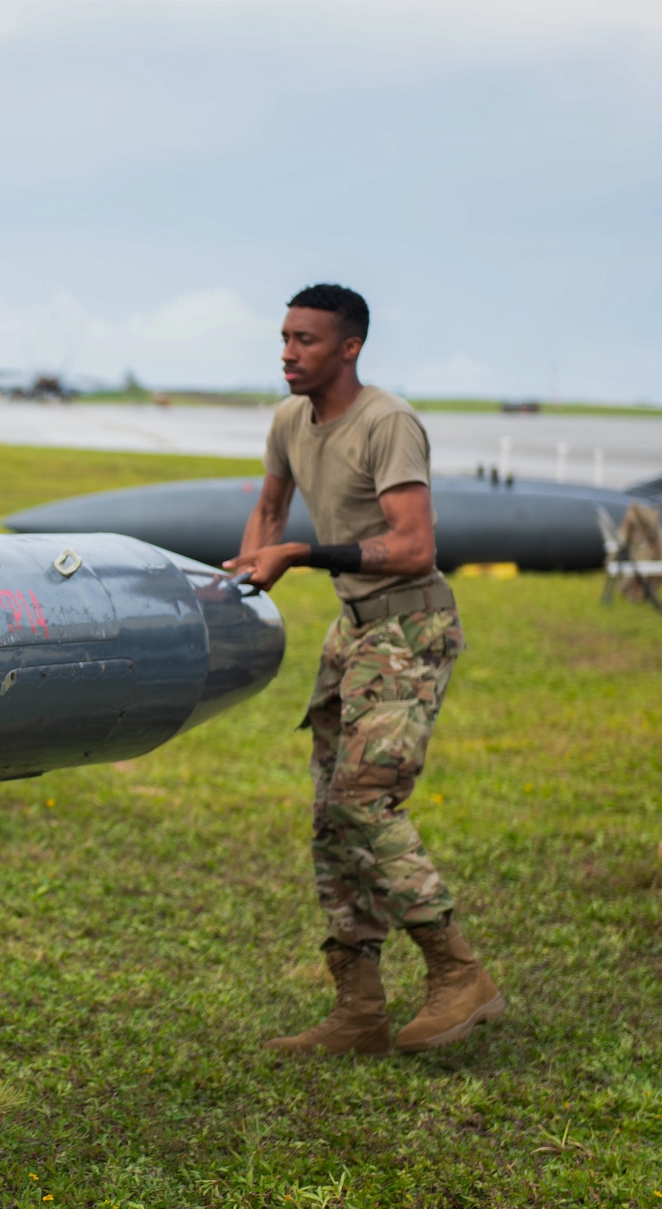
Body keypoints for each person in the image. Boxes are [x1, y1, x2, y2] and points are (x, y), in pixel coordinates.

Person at [225, 284, 506, 1058]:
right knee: (329, 813)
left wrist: (303, 556)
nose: (288, 351)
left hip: (410, 622)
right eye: (284, 337)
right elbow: (270, 514)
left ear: (349, 347)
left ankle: (458, 971)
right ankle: (359, 1009)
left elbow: (414, 544)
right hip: (352, 630)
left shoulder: (388, 422)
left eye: (306, 340)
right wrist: (244, 573)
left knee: (364, 797)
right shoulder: (289, 420)